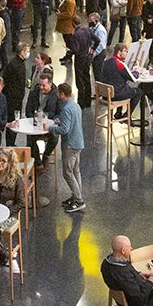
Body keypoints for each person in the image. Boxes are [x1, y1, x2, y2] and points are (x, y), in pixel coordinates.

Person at [48, 81, 86, 212]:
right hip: (78, 143)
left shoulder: (66, 109)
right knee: (76, 171)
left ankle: (79, 200)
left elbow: (64, 129)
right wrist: (61, 121)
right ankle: (75, 196)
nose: (58, 95)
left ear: (62, 94)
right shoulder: (75, 105)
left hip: (70, 145)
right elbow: (71, 123)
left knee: (67, 173)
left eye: (59, 93)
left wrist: (51, 128)